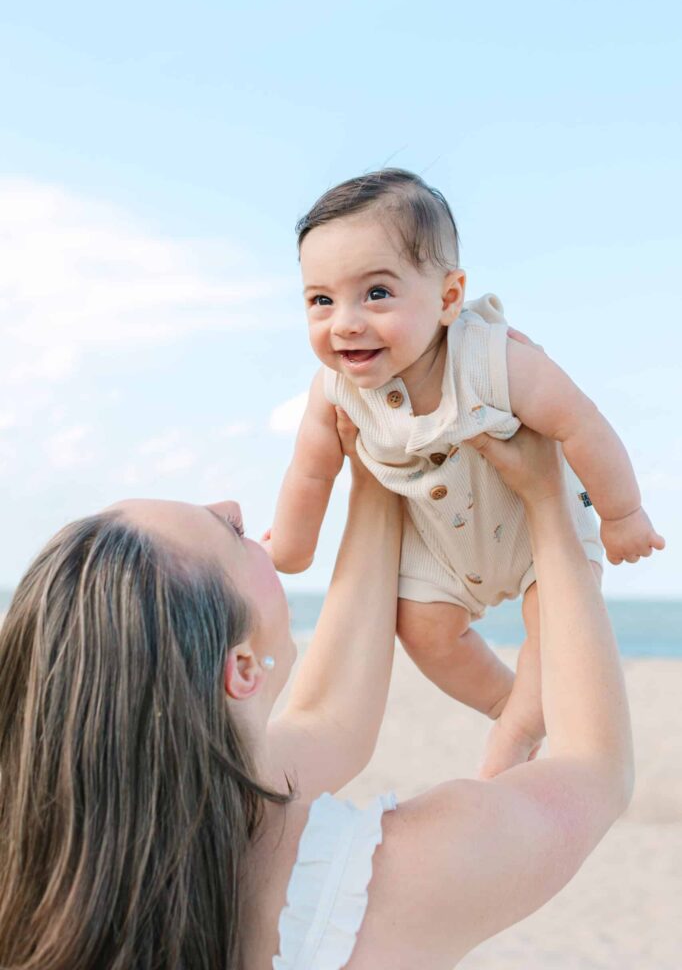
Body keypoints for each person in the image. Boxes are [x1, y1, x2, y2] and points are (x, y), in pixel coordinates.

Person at [0, 409, 633, 969]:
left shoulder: (67, 865)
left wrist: (377, 462)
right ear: (242, 669)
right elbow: (593, 771)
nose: (231, 506)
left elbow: (332, 719)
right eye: (230, 534)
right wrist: (546, 498)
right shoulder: (388, 883)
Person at [267, 168, 663, 777]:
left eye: (376, 293)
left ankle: (520, 730)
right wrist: (291, 549)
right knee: (422, 629)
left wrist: (622, 514)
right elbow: (312, 472)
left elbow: (581, 424)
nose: (344, 321)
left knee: (554, 623)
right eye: (321, 299)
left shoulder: (493, 358)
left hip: (535, 528)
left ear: (449, 298)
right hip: (441, 546)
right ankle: (507, 703)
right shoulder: (337, 388)